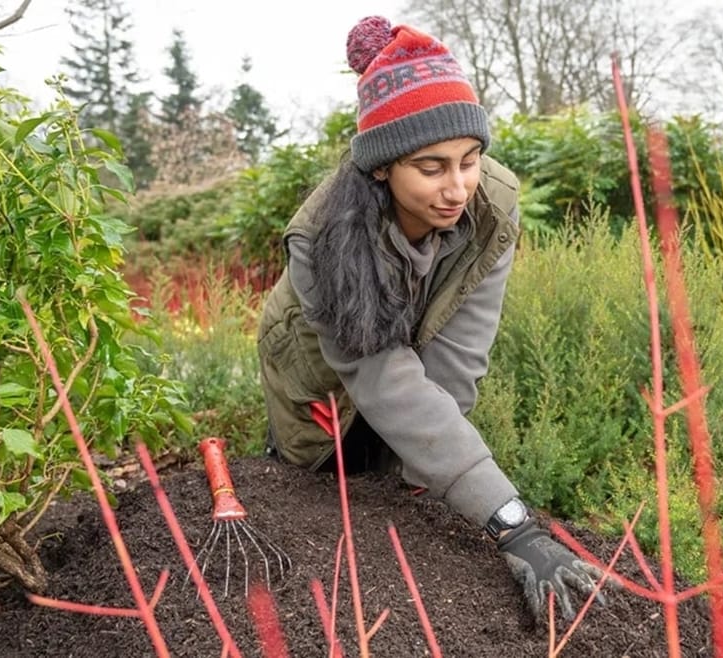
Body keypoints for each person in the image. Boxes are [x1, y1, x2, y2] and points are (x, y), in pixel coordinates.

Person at [257, 15, 608, 623]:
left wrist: (442, 485)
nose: (458, 188)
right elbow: (384, 381)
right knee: (321, 476)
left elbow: (460, 353)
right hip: (317, 372)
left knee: (410, 466)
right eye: (431, 168)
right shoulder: (321, 241)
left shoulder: (492, 205)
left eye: (470, 160)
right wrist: (510, 520)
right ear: (381, 168)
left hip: (405, 352)